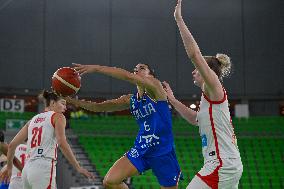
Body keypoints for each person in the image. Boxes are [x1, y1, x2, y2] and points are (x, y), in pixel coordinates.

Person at [162, 0, 243, 188]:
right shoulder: (208, 99)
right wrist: (172, 100)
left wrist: (179, 20)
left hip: (222, 164)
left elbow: (194, 55)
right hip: (223, 163)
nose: (193, 71)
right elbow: (195, 119)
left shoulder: (214, 86)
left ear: (207, 71)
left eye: (197, 69)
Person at [66, 63, 182, 189]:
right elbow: (99, 107)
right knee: (109, 181)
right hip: (141, 148)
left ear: (151, 75)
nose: (136, 71)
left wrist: (97, 68)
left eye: (142, 68)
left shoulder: (156, 88)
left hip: (162, 151)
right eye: (135, 69)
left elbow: (128, 77)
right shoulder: (131, 100)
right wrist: (72, 101)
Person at [1, 90, 95, 189]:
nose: (65, 107)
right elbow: (61, 143)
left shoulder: (31, 121)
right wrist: (78, 167)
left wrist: (9, 167)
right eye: (63, 103)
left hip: (27, 170)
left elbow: (11, 145)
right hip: (43, 166)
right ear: (53, 103)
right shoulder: (58, 116)